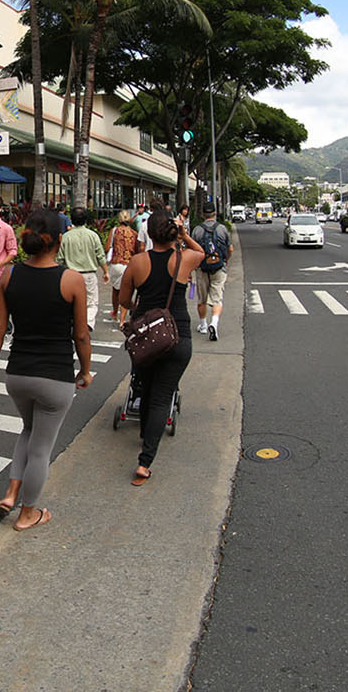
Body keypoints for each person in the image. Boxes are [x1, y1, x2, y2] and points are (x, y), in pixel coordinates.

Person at [0, 210, 93, 532]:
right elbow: (81, 335)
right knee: (41, 448)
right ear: (60, 240)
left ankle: (11, 492)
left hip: (18, 374)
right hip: (55, 377)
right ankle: (28, 513)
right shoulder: (71, 280)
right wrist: (85, 371)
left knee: (28, 430)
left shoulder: (10, 275)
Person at [118, 211, 204, 486]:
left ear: (149, 234)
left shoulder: (137, 262)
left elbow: (124, 300)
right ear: (172, 233)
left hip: (146, 337)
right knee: (161, 398)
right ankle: (144, 462)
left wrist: (140, 308)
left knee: (145, 388)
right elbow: (200, 253)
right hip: (176, 336)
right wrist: (184, 236)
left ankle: (146, 432)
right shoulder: (183, 258)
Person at [58, 206, 111, 330]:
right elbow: (100, 255)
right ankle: (87, 323)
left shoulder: (66, 237)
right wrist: (106, 271)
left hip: (70, 274)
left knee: (71, 301)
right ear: (86, 219)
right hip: (89, 274)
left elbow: (60, 258)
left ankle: (72, 321)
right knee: (91, 302)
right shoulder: (93, 235)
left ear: (72, 219)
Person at [191, 204, 233, 341]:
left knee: (201, 299)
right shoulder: (222, 229)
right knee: (217, 298)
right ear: (215, 213)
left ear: (203, 214)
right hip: (219, 267)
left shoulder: (197, 230)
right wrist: (225, 260)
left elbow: (192, 251)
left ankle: (203, 325)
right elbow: (230, 248)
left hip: (201, 268)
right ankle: (214, 323)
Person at [105, 210, 139, 326]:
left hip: (116, 264)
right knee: (127, 292)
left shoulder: (114, 231)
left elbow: (107, 247)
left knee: (116, 290)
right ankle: (122, 320)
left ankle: (115, 312)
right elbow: (138, 250)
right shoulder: (134, 233)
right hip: (129, 264)